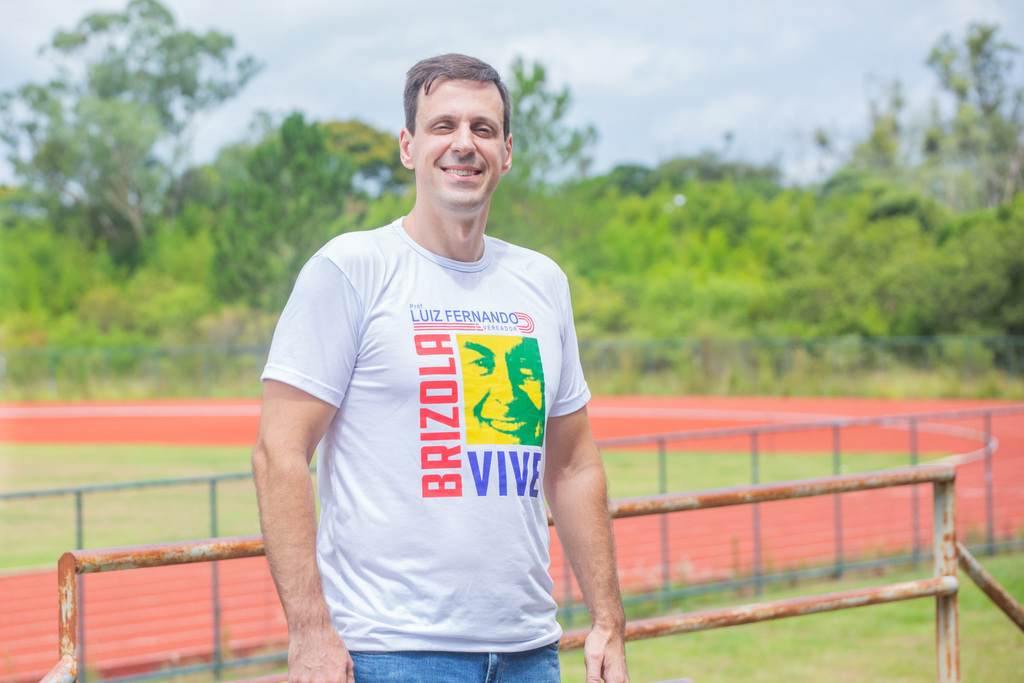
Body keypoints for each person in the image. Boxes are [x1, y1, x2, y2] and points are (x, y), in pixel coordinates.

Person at [251, 53, 629, 683]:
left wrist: (609, 620)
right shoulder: (351, 269)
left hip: (529, 651)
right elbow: (278, 453)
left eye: (483, 129)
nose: (464, 144)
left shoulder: (541, 282)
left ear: (507, 152)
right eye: (442, 126)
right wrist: (311, 631)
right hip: (393, 651)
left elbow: (572, 462)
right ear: (408, 146)